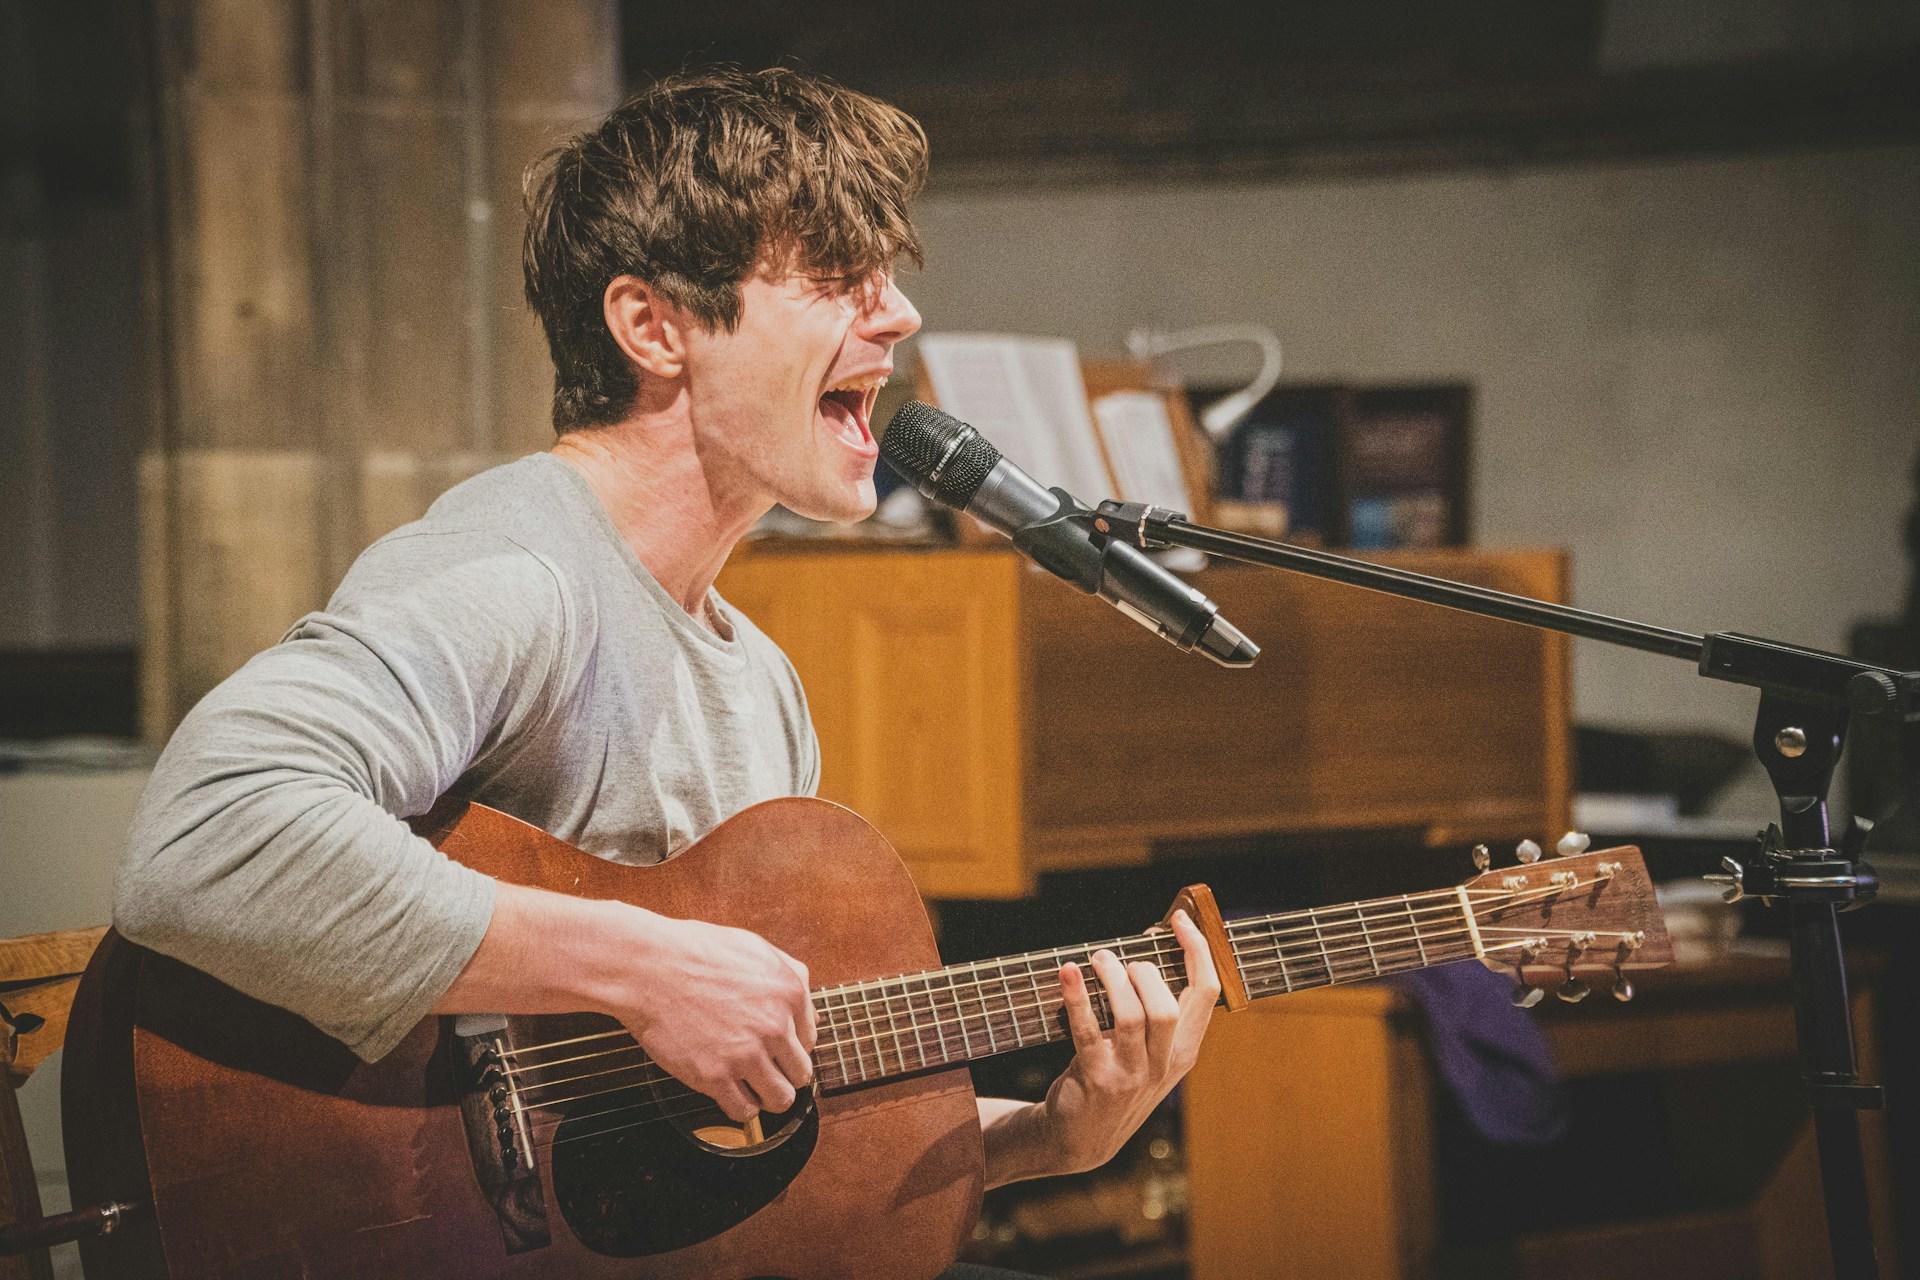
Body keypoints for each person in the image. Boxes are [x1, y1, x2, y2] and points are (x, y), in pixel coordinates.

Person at [115, 66, 1219, 1272]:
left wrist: (1043, 1137)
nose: (898, 316)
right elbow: (204, 836)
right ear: (653, 327)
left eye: (890, 277)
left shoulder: (764, 684)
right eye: (838, 278)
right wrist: (644, 963)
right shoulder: (517, 572)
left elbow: (736, 1136)